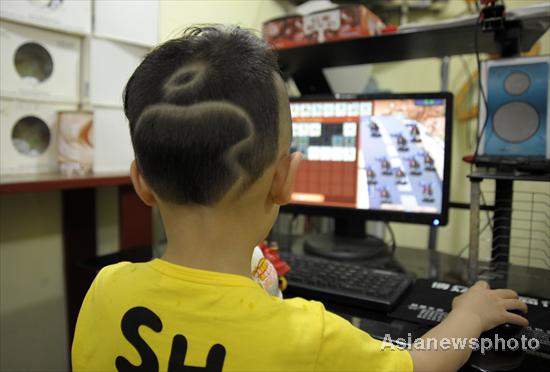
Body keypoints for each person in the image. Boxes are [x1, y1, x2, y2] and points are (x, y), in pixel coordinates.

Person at [72, 25, 528, 372]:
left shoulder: (104, 289)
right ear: (285, 180)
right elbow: (420, 363)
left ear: (142, 182)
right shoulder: (307, 335)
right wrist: (470, 314)